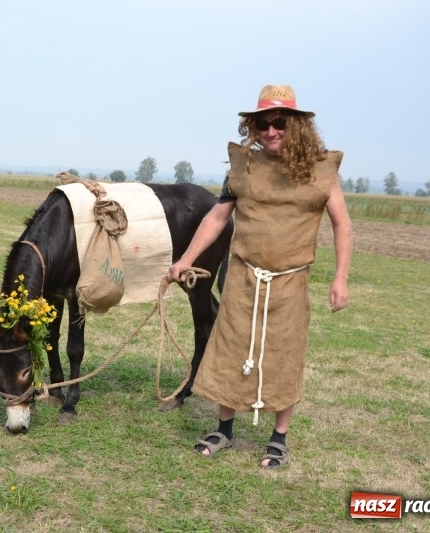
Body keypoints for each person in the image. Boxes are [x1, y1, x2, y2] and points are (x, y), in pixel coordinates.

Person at [167, 84, 352, 468]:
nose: (271, 131)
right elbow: (218, 216)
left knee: (285, 354)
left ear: (297, 125)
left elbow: (342, 225)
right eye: (263, 123)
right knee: (232, 348)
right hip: (243, 276)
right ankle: (224, 430)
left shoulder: (322, 170)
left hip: (290, 280)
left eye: (280, 122)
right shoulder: (244, 167)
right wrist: (185, 259)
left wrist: (340, 278)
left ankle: (279, 439)